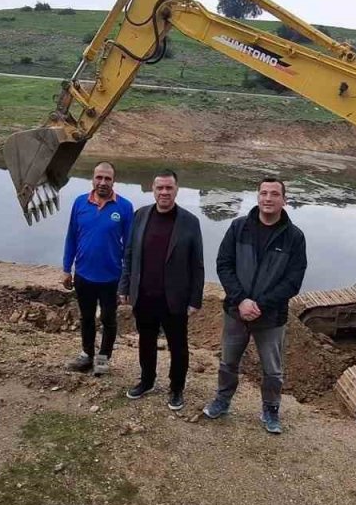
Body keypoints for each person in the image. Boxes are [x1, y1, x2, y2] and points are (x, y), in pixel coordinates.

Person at [203, 177, 307, 434]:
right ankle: (222, 401)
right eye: (263, 193)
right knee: (228, 362)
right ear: (257, 197)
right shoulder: (239, 228)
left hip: (271, 317)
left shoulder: (294, 237)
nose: (268, 198)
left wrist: (259, 304)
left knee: (273, 370)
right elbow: (224, 265)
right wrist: (241, 300)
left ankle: (271, 410)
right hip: (236, 312)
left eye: (274, 194)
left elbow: (293, 281)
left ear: (285, 200)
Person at [118, 169, 205, 411]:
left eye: (169, 188)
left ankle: (176, 389)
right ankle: (146, 381)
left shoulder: (189, 222)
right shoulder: (140, 215)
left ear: (176, 189)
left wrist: (195, 299)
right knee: (146, 342)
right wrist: (125, 285)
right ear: (153, 189)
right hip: (144, 296)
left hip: (174, 299)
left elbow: (197, 264)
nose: (164, 192)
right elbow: (130, 254)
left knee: (178, 347)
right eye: (160, 188)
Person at [62, 161, 134, 375]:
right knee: (86, 318)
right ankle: (86, 355)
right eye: (99, 178)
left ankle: (102, 361)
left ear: (114, 181)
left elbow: (129, 247)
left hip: (111, 278)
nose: (103, 182)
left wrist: (126, 282)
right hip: (83, 275)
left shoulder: (124, 207)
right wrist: (67, 268)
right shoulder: (79, 203)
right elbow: (71, 237)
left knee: (109, 320)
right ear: (92, 179)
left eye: (107, 178)